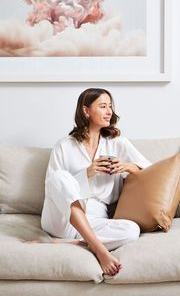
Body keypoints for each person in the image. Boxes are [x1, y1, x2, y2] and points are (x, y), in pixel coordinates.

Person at [40, 88, 151, 276]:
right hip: (62, 219)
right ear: (86, 110)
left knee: (132, 230)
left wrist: (126, 166)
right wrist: (87, 173)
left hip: (96, 219)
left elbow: (150, 171)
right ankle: (100, 250)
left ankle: (74, 243)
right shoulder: (64, 145)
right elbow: (53, 187)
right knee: (59, 177)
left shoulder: (118, 143)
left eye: (110, 106)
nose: (109, 112)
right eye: (103, 106)